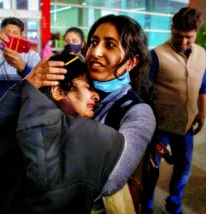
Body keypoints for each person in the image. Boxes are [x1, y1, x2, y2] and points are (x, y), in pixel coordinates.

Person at [0, 53, 126, 214]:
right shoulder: (48, 130)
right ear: (58, 90)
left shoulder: (27, 121)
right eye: (88, 87)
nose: (97, 95)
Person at [26, 14, 156, 213]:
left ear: (131, 62)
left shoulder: (137, 113)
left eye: (110, 45)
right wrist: (28, 86)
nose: (95, 52)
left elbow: (107, 181)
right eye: (94, 42)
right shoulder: (70, 85)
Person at [142, 7, 206, 214]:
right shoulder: (156, 55)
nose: (183, 42)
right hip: (159, 125)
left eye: (188, 37)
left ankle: (173, 205)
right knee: (152, 168)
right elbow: (144, 92)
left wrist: (202, 112)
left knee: (184, 167)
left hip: (186, 123)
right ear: (171, 30)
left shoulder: (202, 54)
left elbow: (203, 85)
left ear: (196, 32)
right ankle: (147, 206)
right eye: (177, 36)